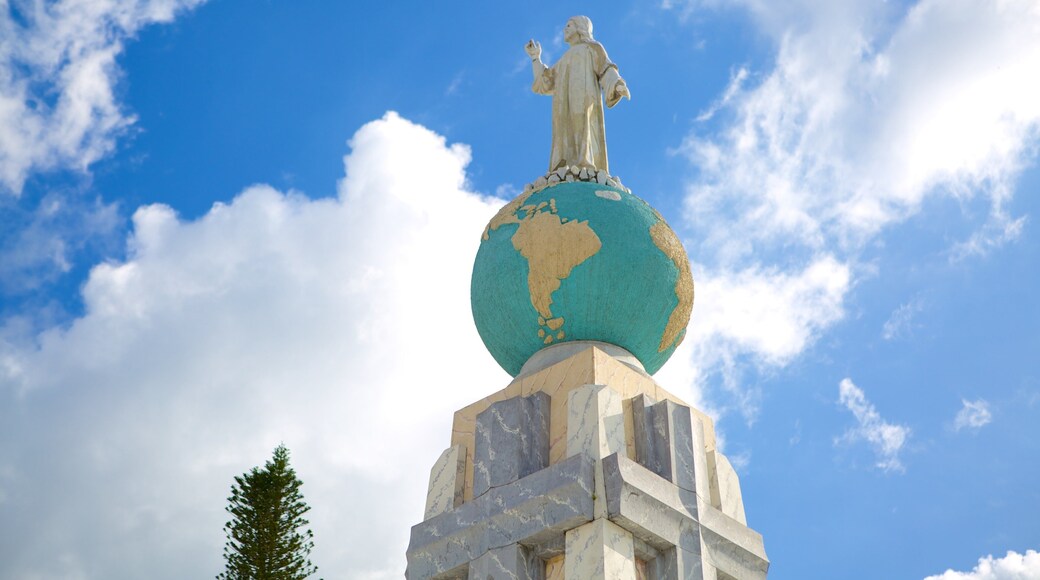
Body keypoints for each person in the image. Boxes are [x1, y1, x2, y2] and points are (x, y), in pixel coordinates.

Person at [525, 16, 631, 175]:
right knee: (565, 130)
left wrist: (617, 84)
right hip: (563, 104)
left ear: (580, 28)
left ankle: (584, 163)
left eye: (569, 25)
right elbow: (545, 81)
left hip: (584, 97)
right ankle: (566, 165)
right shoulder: (564, 59)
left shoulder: (592, 48)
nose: (564, 29)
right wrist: (535, 58)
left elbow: (606, 68)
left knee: (582, 124)